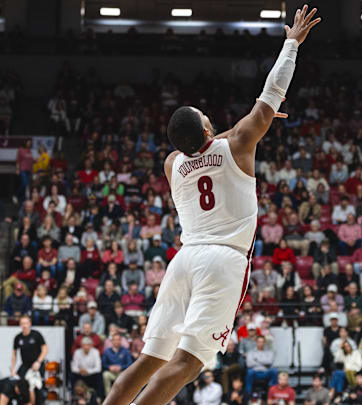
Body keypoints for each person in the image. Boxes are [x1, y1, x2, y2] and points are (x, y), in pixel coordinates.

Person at [103, 8, 321, 405]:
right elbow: (271, 93)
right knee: (189, 363)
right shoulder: (237, 142)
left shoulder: (173, 164)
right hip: (222, 260)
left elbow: (198, 147)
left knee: (147, 361)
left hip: (183, 260)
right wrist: (292, 44)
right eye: (207, 119)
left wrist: (239, 127)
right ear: (208, 128)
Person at [10, 315, 48, 381]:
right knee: (19, 383)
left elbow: (45, 349)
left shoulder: (36, 334)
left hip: (37, 364)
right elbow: (14, 354)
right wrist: (13, 368)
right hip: (25, 365)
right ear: (20, 324)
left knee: (38, 385)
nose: (24, 325)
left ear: (30, 323)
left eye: (26, 323)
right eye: (22, 323)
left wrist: (38, 362)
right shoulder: (18, 337)